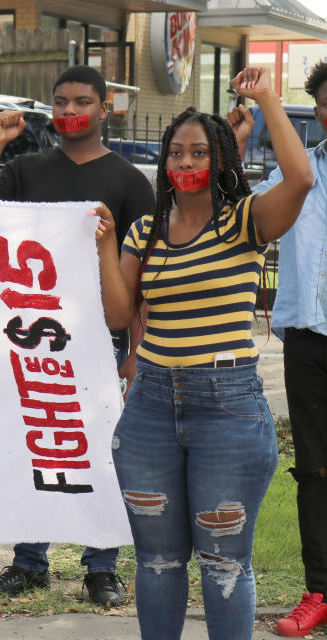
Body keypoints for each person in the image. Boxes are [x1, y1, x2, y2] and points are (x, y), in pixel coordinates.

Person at [93, 66, 313, 639]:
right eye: (175, 155)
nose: (184, 164)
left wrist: (266, 98)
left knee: (223, 562)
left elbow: (301, 179)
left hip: (228, 407)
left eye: (197, 154)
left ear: (218, 160)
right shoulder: (145, 231)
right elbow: (119, 316)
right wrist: (107, 244)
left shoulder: (245, 222)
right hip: (149, 408)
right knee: (157, 561)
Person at [0, 64, 153, 607]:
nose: (69, 111)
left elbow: (139, 281)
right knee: (36, 443)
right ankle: (29, 563)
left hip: (100, 339)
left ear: (104, 107)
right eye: (61, 101)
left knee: (100, 449)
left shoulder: (128, 181)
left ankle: (101, 566)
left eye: (81, 102)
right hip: (30, 333)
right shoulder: (26, 169)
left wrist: (136, 353)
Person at [237, 61, 327, 638]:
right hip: (308, 340)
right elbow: (238, 219)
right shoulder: (298, 173)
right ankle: (319, 590)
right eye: (325, 102)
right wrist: (236, 142)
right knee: (315, 471)